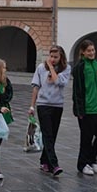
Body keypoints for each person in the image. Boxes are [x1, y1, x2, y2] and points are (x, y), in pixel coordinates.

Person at [29, 45, 71, 177]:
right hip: (43, 104)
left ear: (61, 57)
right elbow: (36, 87)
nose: (52, 59)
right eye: (51, 56)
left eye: (55, 57)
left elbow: (59, 82)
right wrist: (32, 106)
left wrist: (52, 69)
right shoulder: (41, 68)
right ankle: (54, 165)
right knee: (47, 134)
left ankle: (44, 161)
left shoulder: (66, 69)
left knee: (52, 135)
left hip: (57, 105)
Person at [72, 39, 97, 176]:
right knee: (86, 138)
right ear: (83, 52)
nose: (91, 53)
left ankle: (92, 160)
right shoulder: (80, 68)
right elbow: (77, 90)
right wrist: (79, 110)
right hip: (87, 109)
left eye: (93, 50)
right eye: (88, 50)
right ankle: (82, 164)